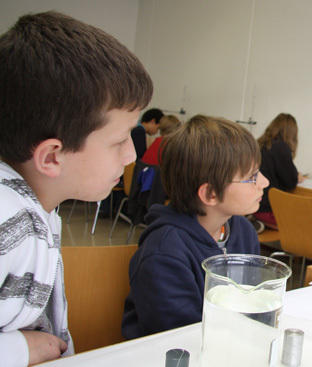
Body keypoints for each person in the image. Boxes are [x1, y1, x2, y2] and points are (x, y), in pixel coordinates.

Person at [0, 11, 152, 366]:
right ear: (53, 157)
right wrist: (19, 350)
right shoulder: (11, 219)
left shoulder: (36, 210)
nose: (131, 154)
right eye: (118, 141)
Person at [121, 115, 268, 339]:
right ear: (210, 194)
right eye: (252, 177)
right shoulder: (164, 253)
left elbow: (253, 302)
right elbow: (180, 338)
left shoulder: (244, 232)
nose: (264, 182)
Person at [254, 113, 305, 229]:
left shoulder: (259, 144)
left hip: (254, 205)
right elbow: (290, 182)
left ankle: (254, 222)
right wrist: (297, 177)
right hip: (268, 209)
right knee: (307, 219)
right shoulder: (281, 148)